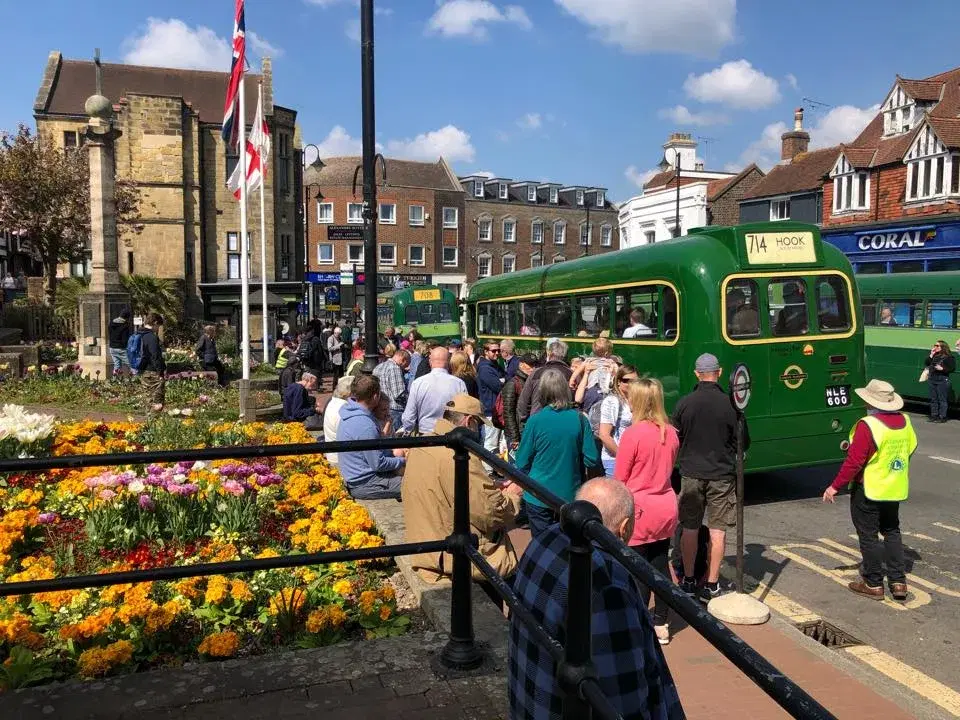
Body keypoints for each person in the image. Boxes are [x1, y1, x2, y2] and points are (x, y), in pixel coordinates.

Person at [509, 478, 684, 720]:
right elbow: (623, 691)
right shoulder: (606, 581)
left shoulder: (543, 540)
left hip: (530, 702)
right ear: (625, 528)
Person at [403, 393, 522, 583]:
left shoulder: (423, 443)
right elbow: (490, 514)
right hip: (454, 559)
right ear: (468, 421)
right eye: (479, 425)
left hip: (428, 548)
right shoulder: (459, 454)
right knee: (508, 582)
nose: (479, 431)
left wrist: (491, 488)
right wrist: (512, 495)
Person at [822, 380, 916, 601]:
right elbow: (910, 449)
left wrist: (835, 486)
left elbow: (854, 462)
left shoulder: (868, 425)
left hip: (869, 487)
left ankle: (873, 583)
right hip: (894, 487)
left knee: (869, 536)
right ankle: (898, 581)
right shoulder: (906, 421)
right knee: (892, 531)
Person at [672, 352, 746, 603]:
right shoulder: (731, 405)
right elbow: (743, 442)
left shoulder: (685, 403)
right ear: (720, 372)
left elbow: (675, 438)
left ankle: (689, 579)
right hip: (722, 475)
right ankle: (712, 584)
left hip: (691, 473)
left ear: (697, 373)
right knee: (718, 531)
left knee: (690, 528)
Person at [614, 378, 680, 645]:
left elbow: (620, 478)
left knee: (636, 568)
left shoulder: (633, 434)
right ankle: (661, 622)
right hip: (665, 503)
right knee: (660, 563)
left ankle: (638, 621)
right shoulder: (671, 432)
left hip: (638, 507)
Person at [514, 369, 599, 536]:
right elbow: (591, 459)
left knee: (542, 546)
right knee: (567, 545)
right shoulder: (580, 419)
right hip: (569, 494)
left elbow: (521, 461)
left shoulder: (535, 421)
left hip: (538, 494)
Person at [336, 375, 405, 499]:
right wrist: (403, 460)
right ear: (375, 396)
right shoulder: (364, 424)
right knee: (420, 484)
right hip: (367, 483)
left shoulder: (349, 412)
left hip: (359, 478)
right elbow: (378, 464)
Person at [402, 346, 467, 434]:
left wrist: (409, 432)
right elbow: (465, 413)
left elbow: (408, 417)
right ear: (449, 362)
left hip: (425, 435)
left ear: (430, 362)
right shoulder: (458, 383)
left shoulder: (418, 383)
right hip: (451, 437)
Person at [517, 339, 572, 430]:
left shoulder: (535, 373)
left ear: (549, 354)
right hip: (563, 425)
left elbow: (523, 403)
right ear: (565, 355)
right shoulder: (571, 374)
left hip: (537, 424)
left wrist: (525, 424)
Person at [597, 364, 638, 476]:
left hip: (633, 459)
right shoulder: (612, 401)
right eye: (626, 380)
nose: (630, 384)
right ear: (618, 381)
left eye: (634, 381)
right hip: (614, 459)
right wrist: (623, 457)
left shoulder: (636, 400)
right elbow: (604, 435)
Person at [476, 341, 506, 465]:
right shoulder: (485, 368)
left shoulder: (495, 365)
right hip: (490, 410)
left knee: (499, 443)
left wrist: (503, 380)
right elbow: (498, 386)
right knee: (490, 442)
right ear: (486, 352)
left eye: (498, 350)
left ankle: (497, 468)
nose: (497, 353)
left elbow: (506, 380)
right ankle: (488, 470)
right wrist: (502, 381)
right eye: (493, 351)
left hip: (497, 410)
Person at [502, 353, 539, 453]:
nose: (533, 368)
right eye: (530, 365)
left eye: (535, 365)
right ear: (521, 365)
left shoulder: (532, 382)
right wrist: (514, 438)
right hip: (517, 433)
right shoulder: (512, 384)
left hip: (527, 431)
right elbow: (508, 413)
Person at [135, 313, 167, 412]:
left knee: (148, 399)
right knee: (157, 400)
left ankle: (150, 423)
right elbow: (155, 356)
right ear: (155, 323)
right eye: (158, 326)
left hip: (143, 370)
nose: (158, 329)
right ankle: (154, 423)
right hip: (153, 372)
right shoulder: (151, 337)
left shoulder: (138, 334)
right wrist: (160, 372)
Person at [373, 348, 410, 431]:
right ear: (403, 360)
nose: (405, 368)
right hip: (394, 410)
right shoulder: (395, 368)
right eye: (406, 365)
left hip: (380, 408)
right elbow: (399, 394)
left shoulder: (378, 367)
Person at [322, 376, 356, 466]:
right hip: (340, 459)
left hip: (333, 454)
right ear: (350, 392)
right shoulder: (343, 410)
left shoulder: (333, 402)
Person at [924, 339, 955, 423]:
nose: (935, 347)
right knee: (933, 399)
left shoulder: (949, 357)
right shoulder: (934, 355)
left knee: (942, 399)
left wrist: (942, 369)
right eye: (934, 345)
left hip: (942, 379)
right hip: (932, 378)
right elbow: (927, 363)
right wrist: (931, 354)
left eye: (937, 346)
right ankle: (934, 415)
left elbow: (952, 368)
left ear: (943, 347)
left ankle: (942, 417)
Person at [107, 308, 132, 378]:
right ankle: (137, 379)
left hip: (112, 347)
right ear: (127, 317)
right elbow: (125, 339)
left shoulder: (111, 323)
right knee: (131, 364)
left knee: (117, 365)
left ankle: (114, 380)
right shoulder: (125, 326)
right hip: (121, 348)